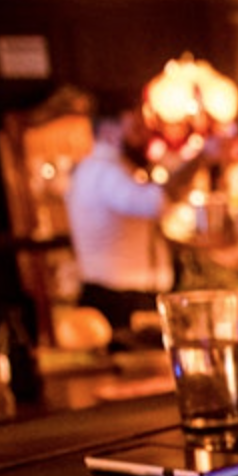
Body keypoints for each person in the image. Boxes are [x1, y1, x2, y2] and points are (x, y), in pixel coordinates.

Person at [63, 108, 216, 335]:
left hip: (127, 298)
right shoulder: (102, 171)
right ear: (107, 131)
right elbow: (155, 202)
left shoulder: (117, 169)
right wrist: (202, 157)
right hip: (117, 302)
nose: (144, 137)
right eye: (135, 129)